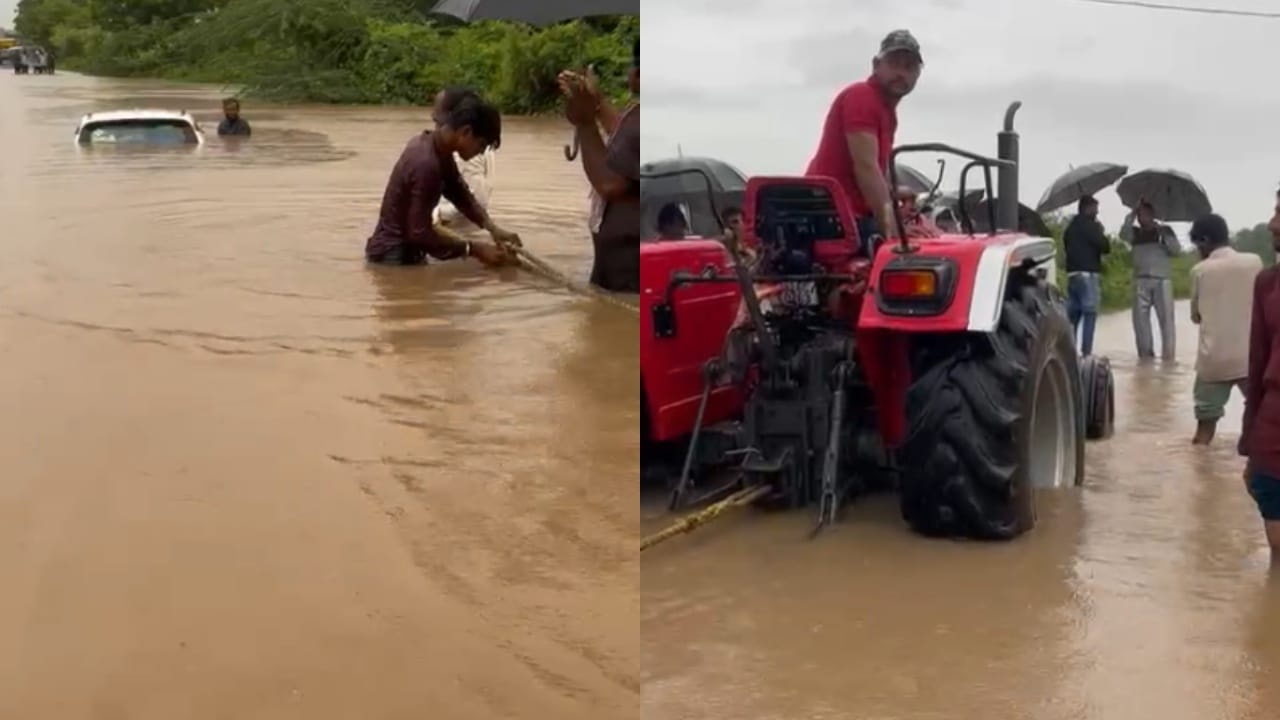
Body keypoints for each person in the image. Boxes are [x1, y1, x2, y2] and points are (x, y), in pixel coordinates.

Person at [364, 94, 519, 267]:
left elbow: (459, 193)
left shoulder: (436, 147)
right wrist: (474, 249)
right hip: (394, 258)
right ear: (465, 132)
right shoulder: (427, 164)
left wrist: (492, 228)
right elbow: (420, 234)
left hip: (399, 252)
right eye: (481, 145)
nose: (481, 153)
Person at [805, 29, 923, 252]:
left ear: (918, 75)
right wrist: (892, 228)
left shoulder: (887, 113)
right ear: (876, 65)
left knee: (924, 229)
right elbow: (866, 167)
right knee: (922, 248)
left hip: (847, 216)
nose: (901, 73)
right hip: (835, 220)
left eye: (909, 67)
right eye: (894, 64)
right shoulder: (862, 97)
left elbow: (864, 175)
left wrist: (894, 192)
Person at [557, 37, 640, 293]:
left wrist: (585, 122)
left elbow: (610, 183)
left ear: (638, 74)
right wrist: (596, 103)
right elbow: (626, 143)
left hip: (629, 270)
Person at [1187, 213, 1261, 444]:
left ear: (1204, 241)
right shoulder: (1255, 262)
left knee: (1203, 434)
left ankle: (1200, 475)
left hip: (1214, 360)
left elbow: (1195, 316)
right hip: (1251, 358)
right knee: (1261, 420)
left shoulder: (1200, 271)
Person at [1240, 189, 1280, 556]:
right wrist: (1250, 443)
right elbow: (1256, 363)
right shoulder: (1267, 284)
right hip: (1272, 429)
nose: (1273, 224)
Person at [1121, 200, 1181, 360]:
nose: (1142, 218)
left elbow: (1176, 251)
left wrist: (1165, 236)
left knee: (1167, 321)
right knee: (1140, 323)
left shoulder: (1165, 230)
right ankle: (1145, 357)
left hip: (1162, 280)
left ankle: (1168, 358)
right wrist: (1131, 215)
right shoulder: (1135, 232)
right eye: (1140, 215)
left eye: (1145, 214)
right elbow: (1123, 234)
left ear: (1153, 215)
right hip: (1141, 280)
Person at [431, 86, 496, 227]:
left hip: (458, 228)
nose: (436, 125)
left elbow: (477, 198)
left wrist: (435, 213)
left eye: (437, 119)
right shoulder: (470, 143)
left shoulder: (467, 150)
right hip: (464, 228)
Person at [1063, 195, 1111, 356]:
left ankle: (1069, 351)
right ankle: (1086, 353)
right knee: (1090, 313)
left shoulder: (1070, 228)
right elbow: (1105, 247)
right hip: (1088, 274)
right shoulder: (1092, 226)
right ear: (1087, 208)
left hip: (1072, 275)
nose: (1097, 212)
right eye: (1095, 209)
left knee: (1073, 315)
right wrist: (1100, 231)